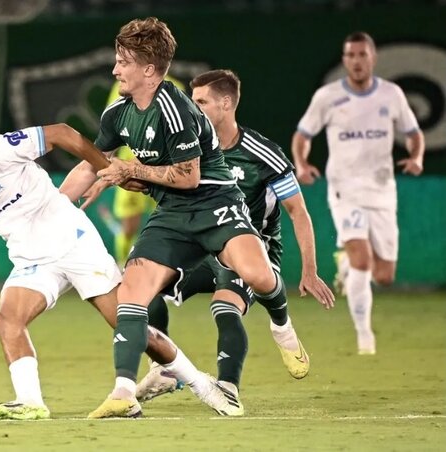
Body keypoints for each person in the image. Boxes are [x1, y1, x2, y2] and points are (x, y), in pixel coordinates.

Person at [0, 123, 231, 421]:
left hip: (73, 243)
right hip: (32, 259)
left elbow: (61, 133)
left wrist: (108, 171)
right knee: (7, 320)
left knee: (128, 325)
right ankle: (30, 402)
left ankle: (203, 384)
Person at [61, 17, 298, 419]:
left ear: (149, 70)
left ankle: (283, 323)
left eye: (123, 62)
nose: (115, 70)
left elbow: (188, 178)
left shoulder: (175, 108)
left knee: (257, 275)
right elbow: (90, 165)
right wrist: (52, 209)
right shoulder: (118, 114)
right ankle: (123, 393)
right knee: (131, 295)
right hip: (171, 213)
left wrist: (130, 170)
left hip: (215, 205)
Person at [130, 69, 334, 403]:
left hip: (250, 246)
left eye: (201, 102)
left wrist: (309, 270)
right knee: (143, 290)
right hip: (201, 246)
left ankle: (234, 381)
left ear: (226, 104)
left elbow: (298, 211)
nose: (193, 110)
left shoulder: (261, 153)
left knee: (225, 308)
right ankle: (163, 369)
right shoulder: (184, 148)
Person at [291, 32, 425, 355]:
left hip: (381, 190)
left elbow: (414, 133)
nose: (356, 61)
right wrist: (302, 162)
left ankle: (347, 266)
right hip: (345, 189)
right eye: (350, 55)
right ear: (344, 59)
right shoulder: (328, 96)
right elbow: (303, 134)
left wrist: (417, 156)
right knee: (363, 258)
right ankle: (365, 337)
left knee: (385, 274)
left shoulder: (391, 95)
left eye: (362, 54)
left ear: (373, 58)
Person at [101, 77, 184, 264]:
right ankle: (123, 267)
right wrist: (109, 163)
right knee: (129, 226)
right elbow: (111, 125)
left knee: (168, 224)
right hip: (129, 166)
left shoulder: (175, 88)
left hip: (162, 169)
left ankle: (168, 269)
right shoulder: (123, 85)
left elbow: (180, 132)